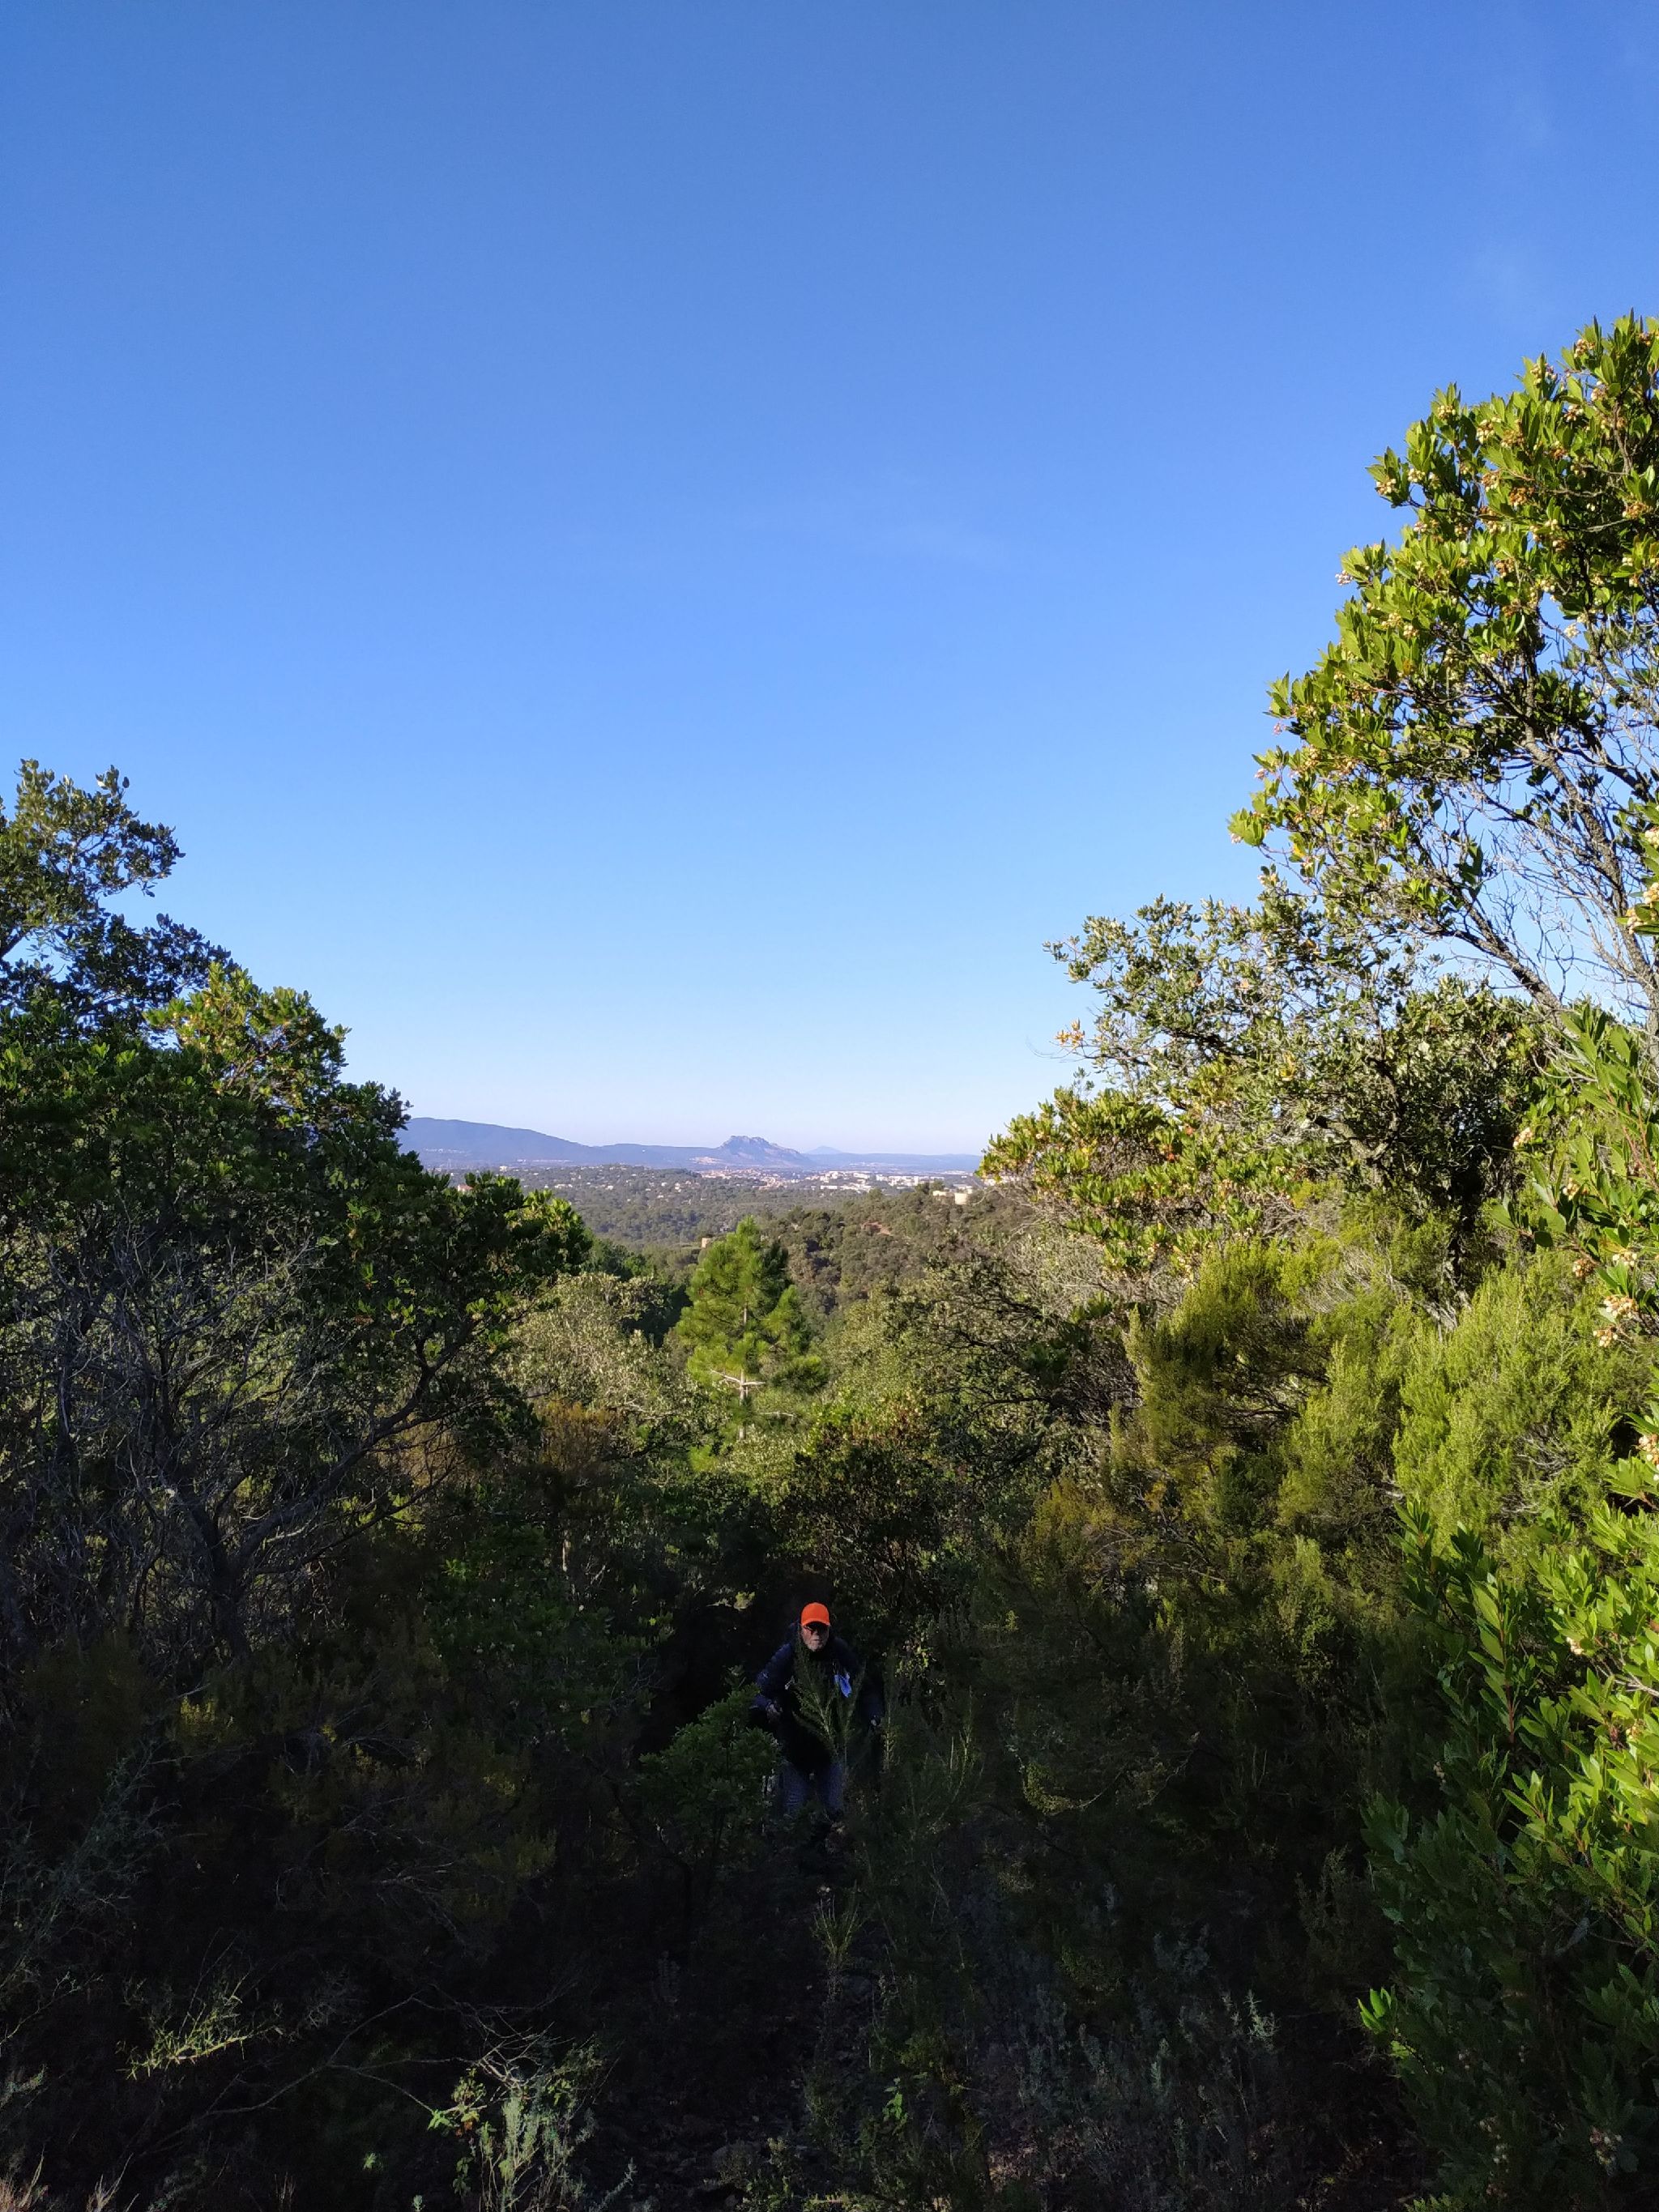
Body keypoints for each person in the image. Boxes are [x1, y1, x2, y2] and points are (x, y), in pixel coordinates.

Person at [752, 1601, 881, 1819]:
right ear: (801, 1629)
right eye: (811, 1628)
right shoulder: (787, 1655)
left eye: (822, 1629)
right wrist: (768, 1707)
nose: (816, 1634)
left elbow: (865, 1688)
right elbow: (757, 1692)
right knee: (792, 1816)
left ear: (829, 1629)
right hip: (795, 1751)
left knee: (837, 1813)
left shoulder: (839, 1652)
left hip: (830, 1749)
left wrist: (876, 1716)